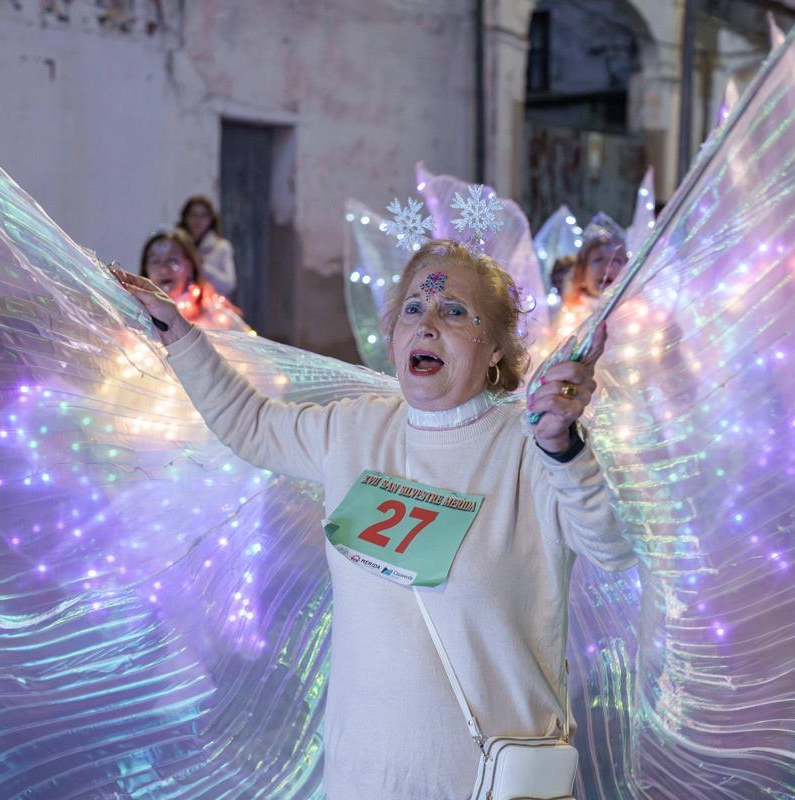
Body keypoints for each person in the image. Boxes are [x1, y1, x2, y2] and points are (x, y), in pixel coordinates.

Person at [114, 238, 635, 799]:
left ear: (495, 351)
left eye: (455, 311)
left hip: (489, 781)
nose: (427, 323)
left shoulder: (528, 445)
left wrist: (563, 447)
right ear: (392, 336)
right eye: (413, 308)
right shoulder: (357, 430)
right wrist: (178, 333)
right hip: (363, 779)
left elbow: (611, 547)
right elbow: (252, 425)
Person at [138, 227, 242, 329]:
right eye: (155, 261)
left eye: (172, 261)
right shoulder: (136, 319)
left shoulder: (217, 316)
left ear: (189, 266)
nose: (163, 270)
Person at [179, 196, 237, 300]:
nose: (198, 221)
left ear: (211, 219)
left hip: (212, 309)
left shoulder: (221, 247)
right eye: (193, 215)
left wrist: (202, 266)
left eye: (203, 216)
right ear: (185, 218)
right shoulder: (177, 247)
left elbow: (229, 285)